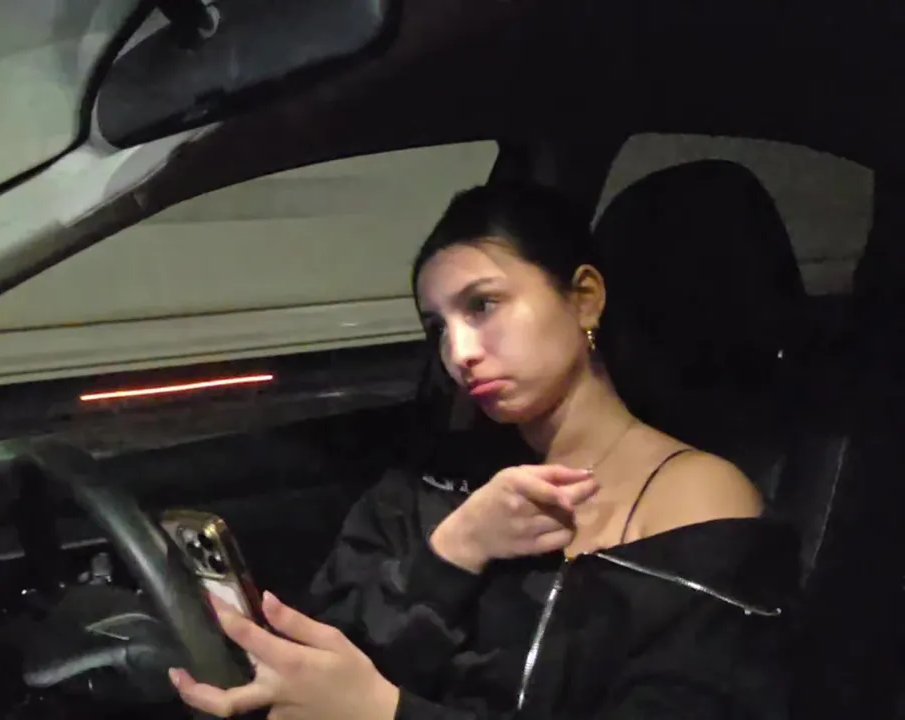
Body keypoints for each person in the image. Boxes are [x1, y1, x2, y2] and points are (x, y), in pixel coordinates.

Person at [168, 183, 798, 720]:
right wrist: (453, 551)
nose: (459, 353)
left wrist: (389, 712)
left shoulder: (696, 498)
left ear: (585, 297)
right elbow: (322, 649)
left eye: (483, 305)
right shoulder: (431, 483)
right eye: (437, 327)